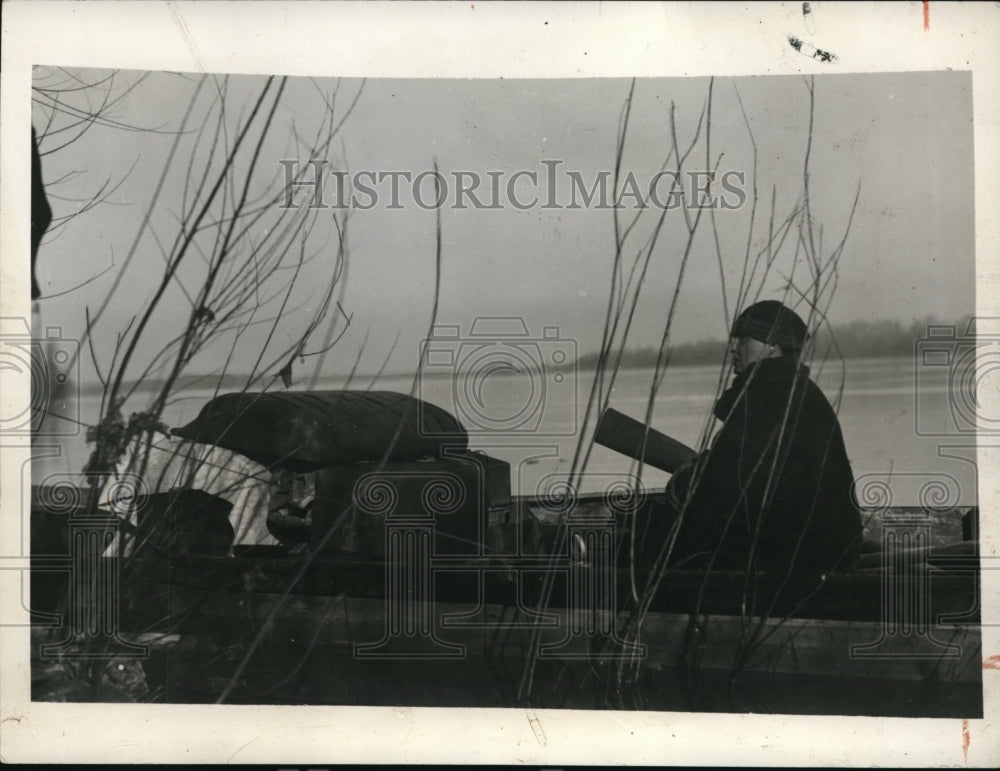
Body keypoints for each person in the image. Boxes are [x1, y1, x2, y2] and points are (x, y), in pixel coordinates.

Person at [645, 300, 862, 578]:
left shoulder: (763, 398)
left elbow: (726, 496)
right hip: (823, 552)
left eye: (745, 338)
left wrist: (687, 483)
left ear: (772, 346)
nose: (734, 347)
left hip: (784, 563)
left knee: (648, 532)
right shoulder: (799, 391)